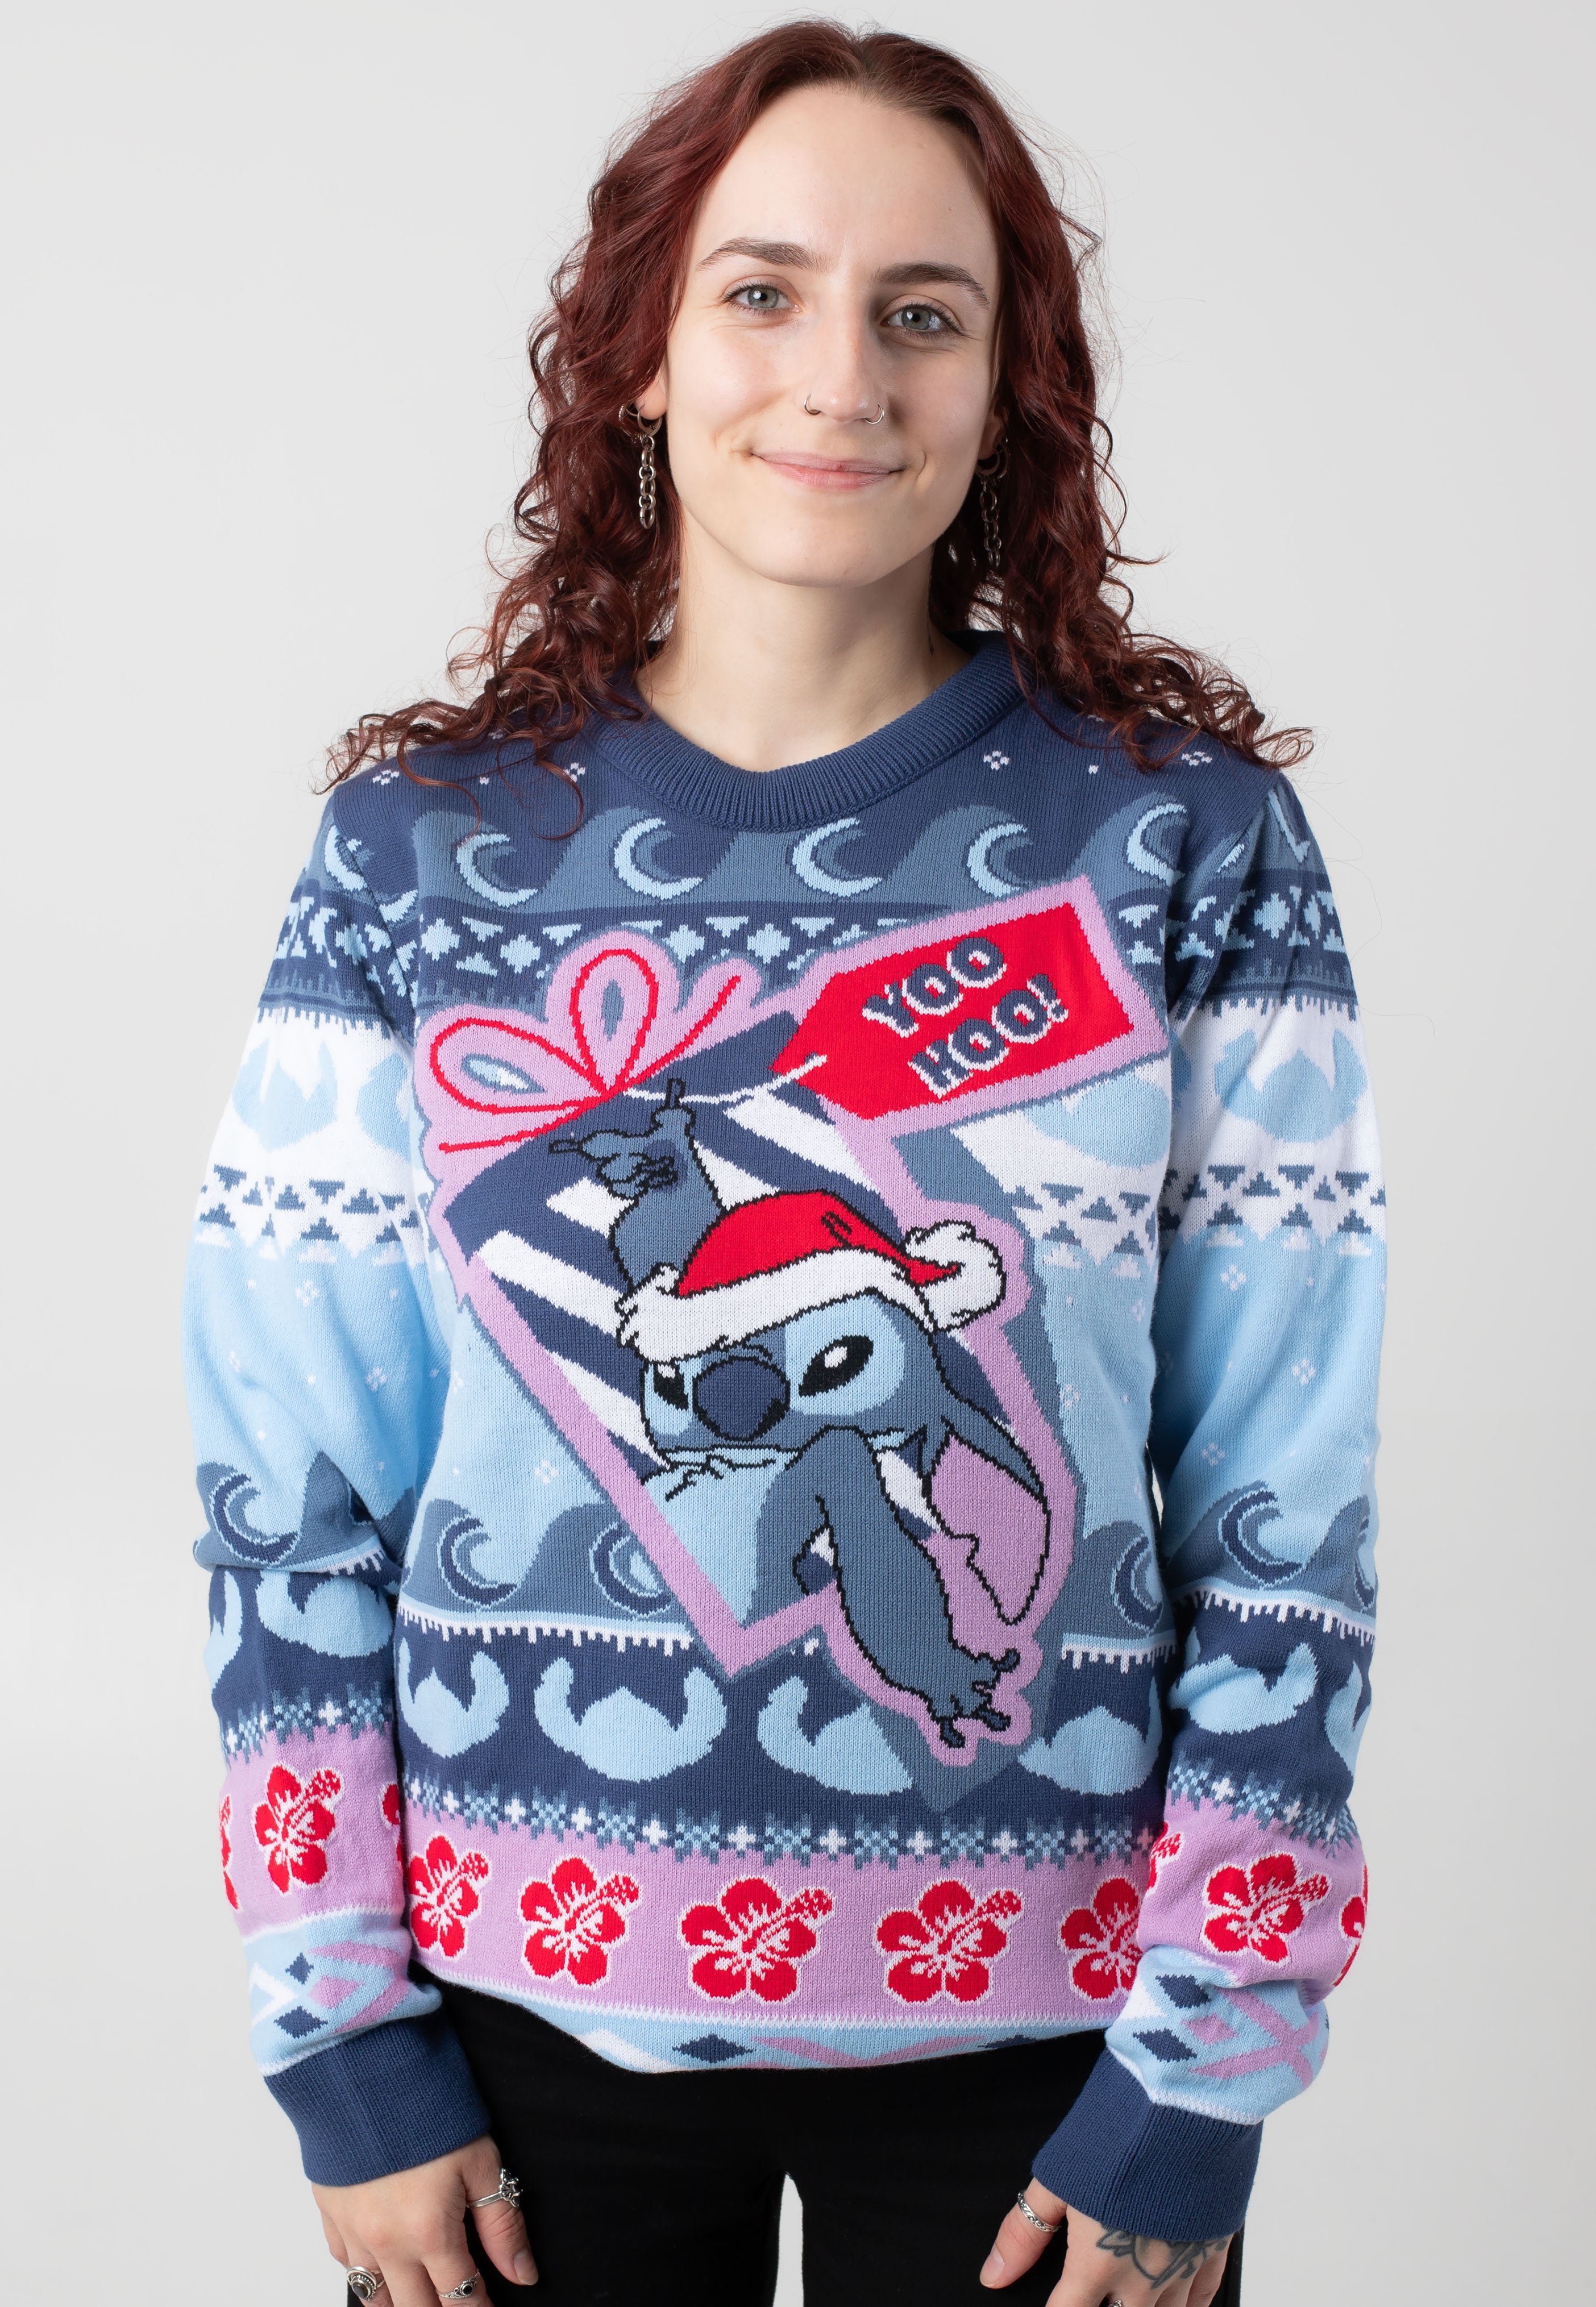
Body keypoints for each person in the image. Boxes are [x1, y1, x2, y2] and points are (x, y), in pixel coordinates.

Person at [184, 23, 1382, 2307]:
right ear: (643, 351)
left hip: (1062, 2061)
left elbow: (1284, 1503)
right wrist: (346, 2041)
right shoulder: (419, 856)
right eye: (762, 292)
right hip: (514, 2044)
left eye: (923, 312)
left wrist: (1206, 2066)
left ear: (1007, 387)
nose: (842, 376)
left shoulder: (1183, 842)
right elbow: (288, 1486)